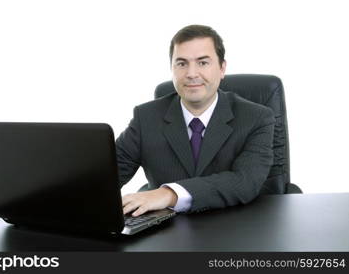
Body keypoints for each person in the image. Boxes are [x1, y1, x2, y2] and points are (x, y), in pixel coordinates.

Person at [116, 24, 275, 217]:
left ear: (222, 68)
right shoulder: (146, 117)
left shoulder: (256, 118)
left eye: (202, 62)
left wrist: (169, 194)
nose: (191, 73)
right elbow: (107, 178)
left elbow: (245, 182)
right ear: (172, 69)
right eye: (181, 63)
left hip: (235, 229)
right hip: (166, 235)